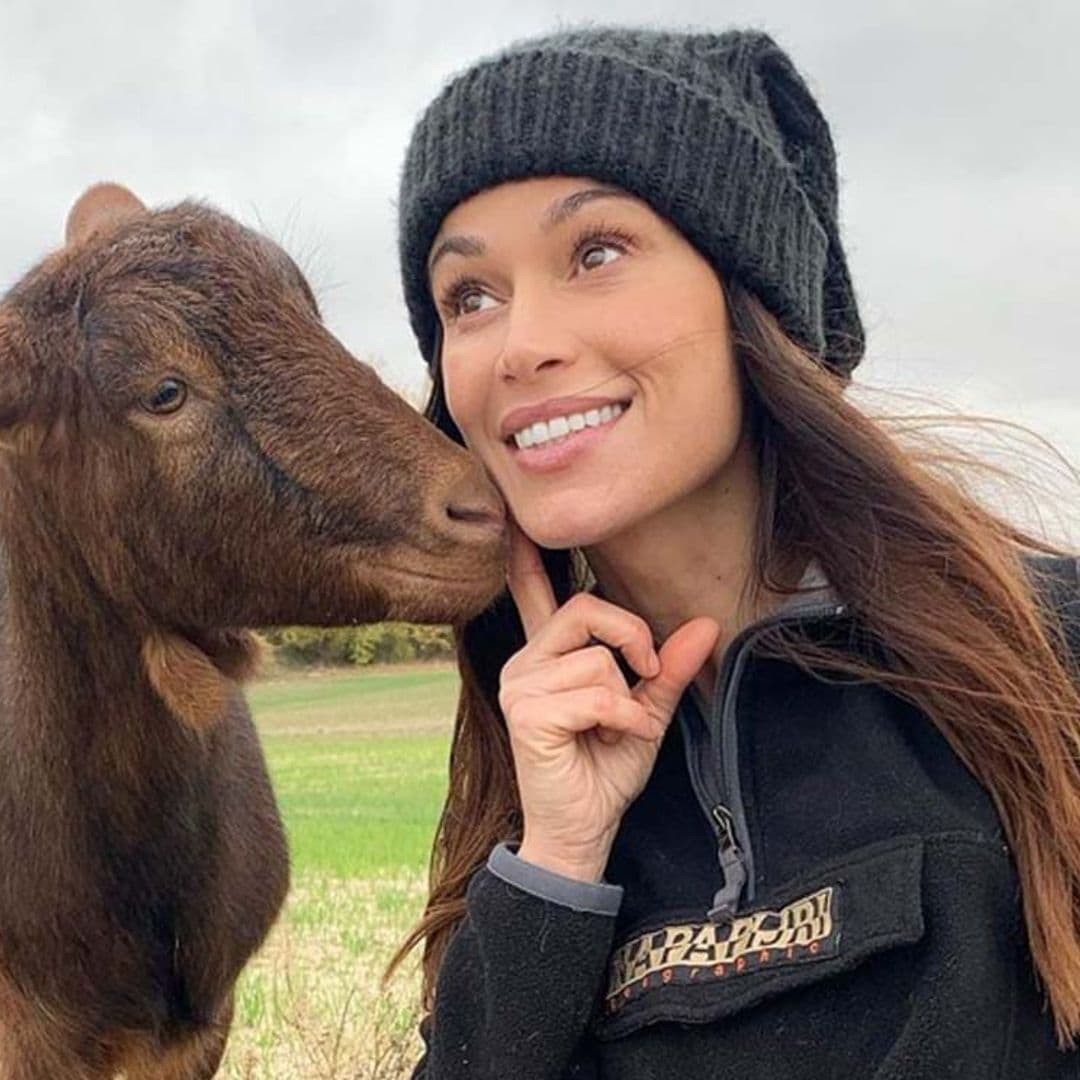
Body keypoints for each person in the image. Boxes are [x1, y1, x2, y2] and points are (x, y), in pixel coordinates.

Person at [386, 25, 1080, 1079]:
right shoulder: (528, 794)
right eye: (468, 297)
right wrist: (558, 865)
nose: (519, 344)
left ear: (751, 296)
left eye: (597, 253)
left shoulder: (1044, 662)